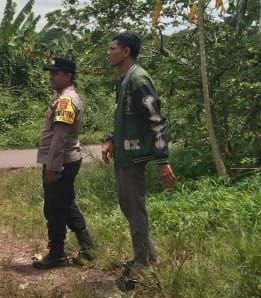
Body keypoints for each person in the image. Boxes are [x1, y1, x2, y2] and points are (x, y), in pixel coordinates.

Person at [101, 32, 178, 272]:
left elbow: (156, 119)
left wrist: (162, 159)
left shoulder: (139, 79)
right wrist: (111, 140)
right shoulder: (123, 80)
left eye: (113, 48)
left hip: (135, 156)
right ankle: (147, 255)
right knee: (127, 204)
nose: (109, 52)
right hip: (124, 154)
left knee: (134, 207)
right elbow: (123, 117)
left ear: (126, 52)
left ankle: (141, 264)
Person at [33, 58, 95, 269]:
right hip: (66, 160)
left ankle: (57, 254)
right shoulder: (63, 98)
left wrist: (52, 167)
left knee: (54, 208)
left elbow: (59, 137)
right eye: (51, 72)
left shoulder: (66, 101)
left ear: (68, 76)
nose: (51, 76)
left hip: (61, 162)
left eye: (56, 73)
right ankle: (88, 245)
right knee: (66, 203)